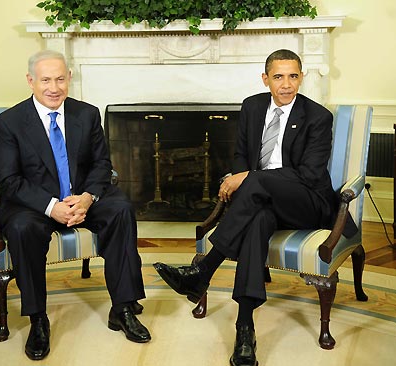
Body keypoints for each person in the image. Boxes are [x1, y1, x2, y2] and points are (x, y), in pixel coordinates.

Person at [153, 49, 357, 366]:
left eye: (293, 76)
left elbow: (309, 175)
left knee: (257, 183)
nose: (286, 84)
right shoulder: (252, 107)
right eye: (278, 76)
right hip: (263, 203)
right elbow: (240, 156)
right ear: (266, 79)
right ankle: (244, 329)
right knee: (257, 221)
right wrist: (244, 175)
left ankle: (203, 270)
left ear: (301, 77)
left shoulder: (317, 117)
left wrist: (247, 178)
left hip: (308, 203)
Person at [0, 50, 151, 361]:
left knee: (120, 209)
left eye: (61, 79)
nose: (54, 87)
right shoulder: (8, 123)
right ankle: (38, 319)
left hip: (81, 199)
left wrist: (88, 198)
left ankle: (122, 307)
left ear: (69, 79)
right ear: (31, 81)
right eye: (46, 80)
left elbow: (102, 164)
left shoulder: (87, 114)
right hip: (33, 205)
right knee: (23, 229)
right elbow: (9, 181)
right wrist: (52, 206)